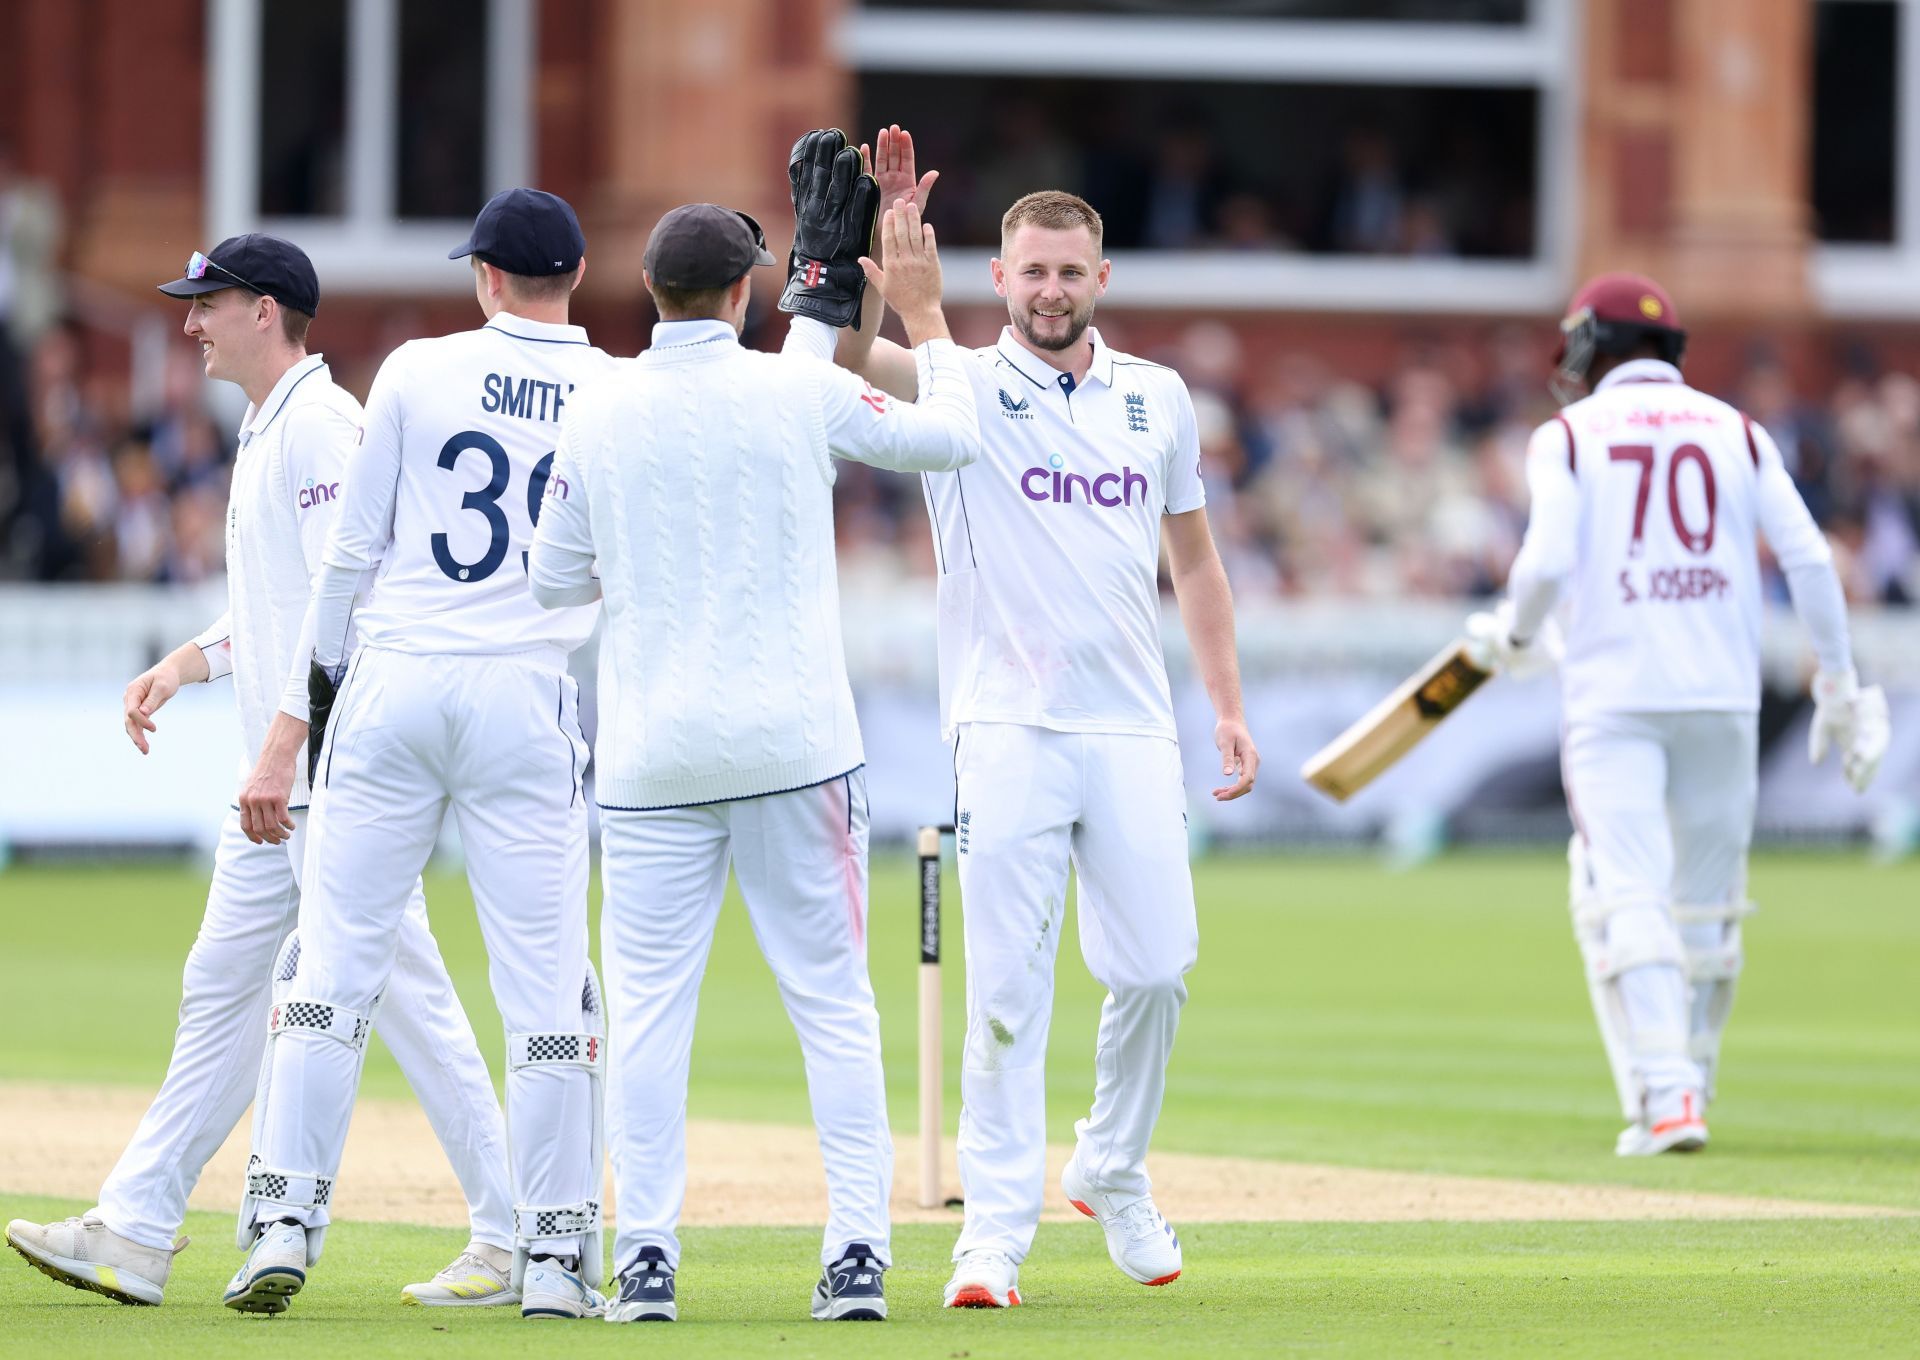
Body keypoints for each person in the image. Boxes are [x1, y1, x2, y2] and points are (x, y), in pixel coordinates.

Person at [4, 234, 517, 1309]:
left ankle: (512, 1233)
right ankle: (138, 1226)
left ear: (268, 311)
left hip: (339, 783)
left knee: (413, 1002)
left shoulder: (325, 428)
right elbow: (286, 602)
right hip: (284, 786)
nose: (190, 323)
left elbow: (355, 609)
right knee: (221, 994)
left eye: (210, 303)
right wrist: (192, 660)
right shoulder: (272, 426)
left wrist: (288, 749)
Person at [529, 134, 981, 1325]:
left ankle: (647, 1259)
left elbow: (551, 584)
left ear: (651, 293)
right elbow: (952, 438)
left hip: (651, 756)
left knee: (650, 1015)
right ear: (742, 294)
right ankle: (856, 1257)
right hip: (797, 748)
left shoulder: (599, 407)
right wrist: (927, 328)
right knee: (832, 1004)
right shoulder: (796, 386)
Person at [833, 127, 1259, 1309]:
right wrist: (865, 257)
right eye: (1032, 271)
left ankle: (1111, 1164)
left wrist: (1224, 707)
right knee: (1008, 991)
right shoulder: (956, 377)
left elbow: (1201, 566)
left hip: (1131, 727)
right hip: (1007, 725)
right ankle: (992, 1238)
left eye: (1071, 271)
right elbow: (835, 364)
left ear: (1102, 279)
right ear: (1000, 279)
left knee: (1160, 971)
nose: (1052, 290)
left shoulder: (1157, 398)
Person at [224, 191, 617, 1321]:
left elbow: (348, 559)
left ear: (486, 277)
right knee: (546, 991)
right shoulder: (614, 389)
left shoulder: (413, 367)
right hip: (524, 691)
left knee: (329, 970)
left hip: (394, 679)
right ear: (576, 271)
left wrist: (302, 721)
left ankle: (279, 1223)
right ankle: (551, 1256)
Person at [1465, 272, 1891, 1156]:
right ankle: (1691, 1084)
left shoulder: (1569, 437)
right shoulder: (1738, 429)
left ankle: (1668, 1099)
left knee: (1624, 888)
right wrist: (1841, 682)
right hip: (1722, 693)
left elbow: (1543, 566)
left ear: (1589, 346)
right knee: (1707, 907)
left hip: (1615, 695)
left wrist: (1514, 635)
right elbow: (1813, 559)